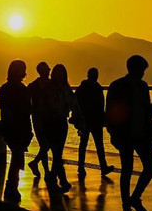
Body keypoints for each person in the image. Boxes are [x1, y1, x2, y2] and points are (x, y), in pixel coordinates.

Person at [106, 55, 152, 211]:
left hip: (142, 133)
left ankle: (134, 197)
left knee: (150, 167)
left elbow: (147, 110)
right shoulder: (117, 86)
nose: (143, 73)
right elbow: (111, 112)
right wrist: (114, 133)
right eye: (142, 70)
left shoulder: (143, 86)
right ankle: (126, 206)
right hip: (125, 134)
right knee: (127, 170)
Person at [43, 64, 83, 193]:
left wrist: (78, 120)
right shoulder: (52, 89)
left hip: (60, 123)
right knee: (57, 153)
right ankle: (55, 179)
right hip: (51, 123)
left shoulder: (64, 89)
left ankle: (60, 180)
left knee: (57, 153)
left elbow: (75, 106)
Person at [0, 60, 33, 202]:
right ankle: (11, 186)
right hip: (16, 128)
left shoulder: (6, 88)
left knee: (17, 156)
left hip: (14, 128)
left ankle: (12, 186)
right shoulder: (19, 89)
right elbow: (27, 110)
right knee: (17, 157)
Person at [75, 68, 115, 178]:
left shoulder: (82, 88)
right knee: (98, 145)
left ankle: (82, 167)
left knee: (84, 144)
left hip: (89, 120)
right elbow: (101, 105)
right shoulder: (97, 88)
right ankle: (102, 167)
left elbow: (77, 103)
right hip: (94, 121)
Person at [27, 62, 52, 179]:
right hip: (38, 119)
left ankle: (36, 164)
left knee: (46, 145)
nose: (48, 71)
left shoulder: (49, 84)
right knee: (45, 145)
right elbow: (26, 103)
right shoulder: (33, 86)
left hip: (46, 118)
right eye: (47, 70)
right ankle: (46, 171)